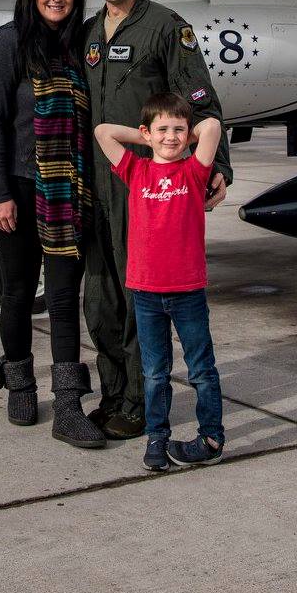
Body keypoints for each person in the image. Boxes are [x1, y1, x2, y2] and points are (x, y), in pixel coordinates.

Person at [80, 0, 231, 439]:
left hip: (144, 190)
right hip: (96, 184)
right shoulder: (87, 32)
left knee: (133, 295)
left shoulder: (166, 26)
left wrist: (219, 168)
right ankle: (113, 395)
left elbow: (200, 100)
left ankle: (139, 405)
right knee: (100, 298)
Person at [0, 0, 106, 449]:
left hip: (66, 192)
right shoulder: (9, 43)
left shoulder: (81, 47)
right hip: (18, 185)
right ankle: (21, 386)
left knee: (61, 298)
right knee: (17, 292)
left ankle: (69, 407)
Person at [96, 93, 225, 470]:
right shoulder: (136, 171)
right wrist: (148, 138)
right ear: (146, 133)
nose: (171, 136)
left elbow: (213, 125)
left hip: (187, 292)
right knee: (155, 373)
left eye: (179, 130)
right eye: (163, 130)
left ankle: (211, 437)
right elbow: (104, 132)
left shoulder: (194, 170)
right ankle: (157, 439)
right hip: (147, 292)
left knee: (201, 369)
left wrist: (186, 137)